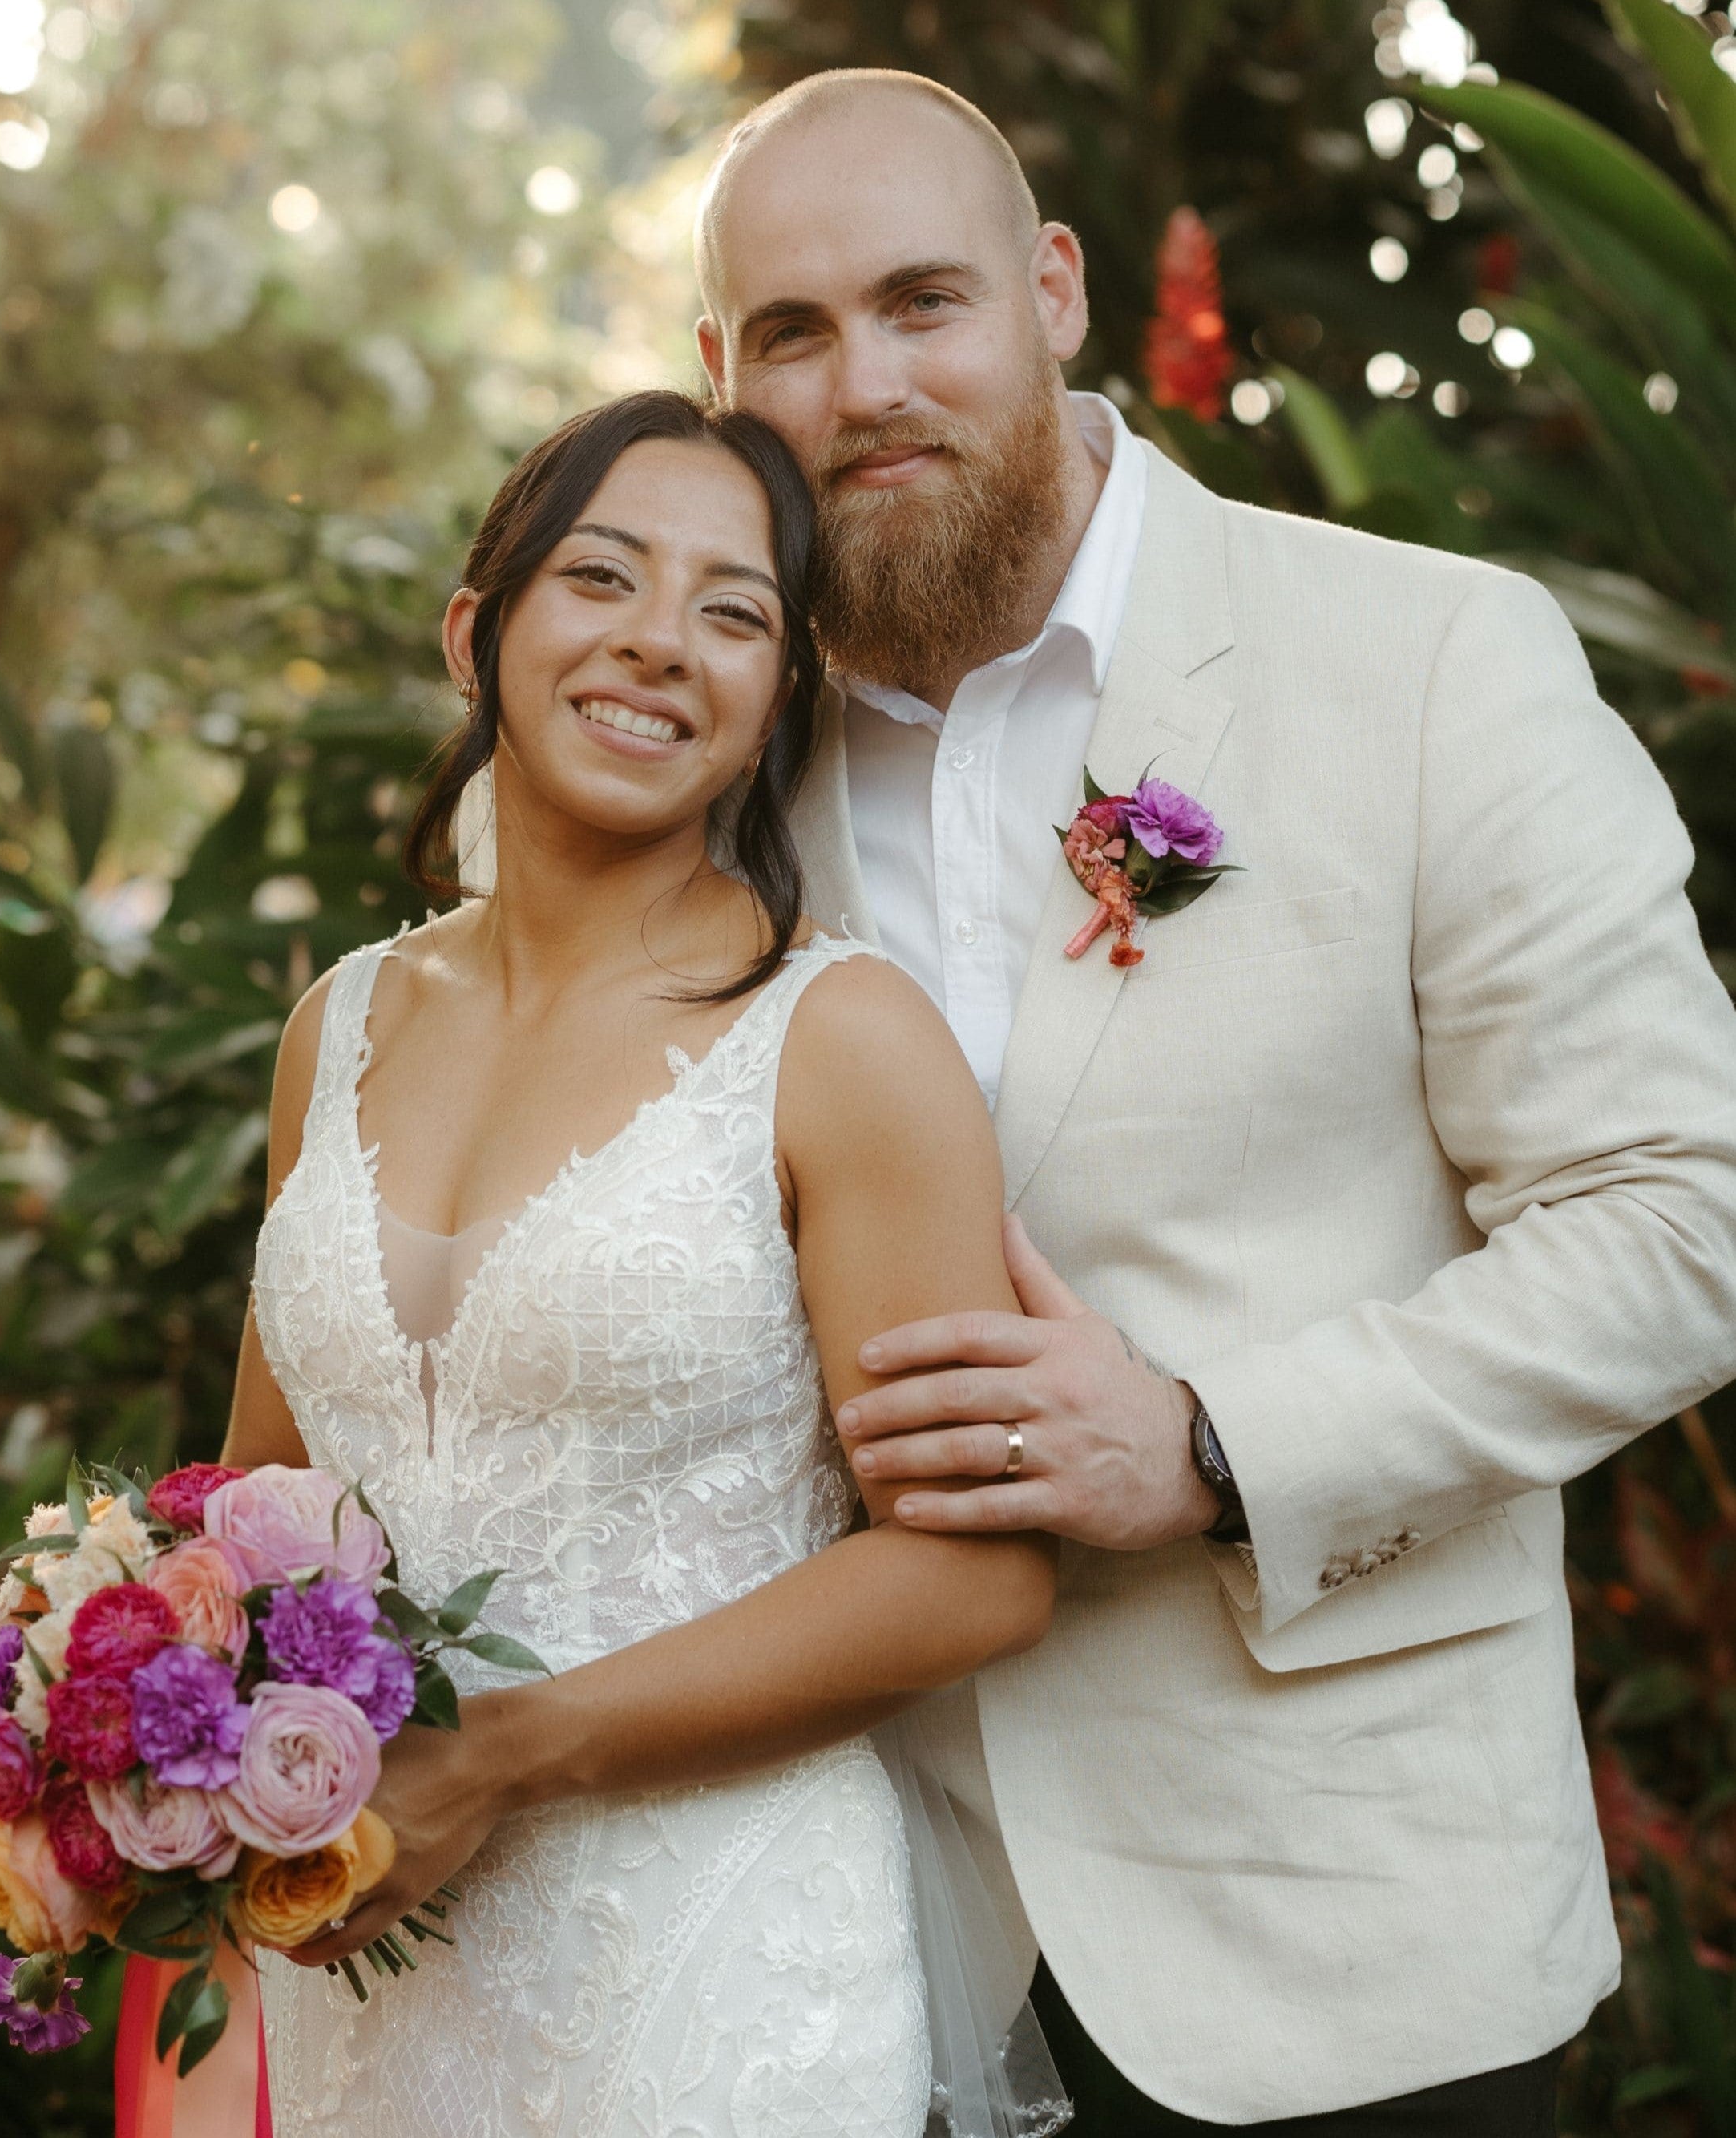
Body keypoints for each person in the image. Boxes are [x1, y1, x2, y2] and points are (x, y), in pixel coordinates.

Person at [680, 65, 1736, 2133]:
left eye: (921, 300)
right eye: (791, 335)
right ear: (715, 377)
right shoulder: (697, 763)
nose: (864, 382)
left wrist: (1210, 1444)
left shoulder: (1426, 659)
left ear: (1055, 289)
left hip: (1342, 1944)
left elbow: (1683, 1212)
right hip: (833, 1957)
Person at [219, 388, 1066, 2136]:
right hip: (369, 1976)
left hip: (710, 1979)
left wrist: (515, 1752)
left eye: (733, 612)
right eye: (599, 575)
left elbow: (973, 1574)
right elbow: (252, 1511)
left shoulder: (837, 1038)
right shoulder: (338, 1025)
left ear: (771, 710)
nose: (657, 644)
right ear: (480, 631)